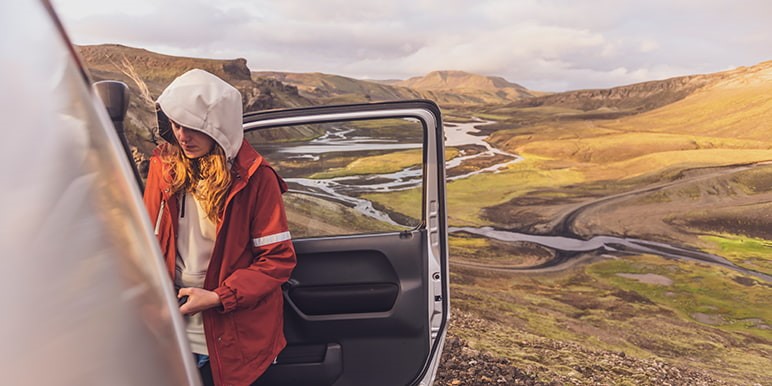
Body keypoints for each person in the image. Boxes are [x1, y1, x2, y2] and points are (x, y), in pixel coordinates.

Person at [143, 69, 296, 386]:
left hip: (232, 335)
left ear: (219, 126)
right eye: (176, 124)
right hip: (172, 330)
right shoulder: (163, 167)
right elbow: (145, 240)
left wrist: (218, 297)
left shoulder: (255, 178)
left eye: (194, 127)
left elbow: (277, 259)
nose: (183, 136)